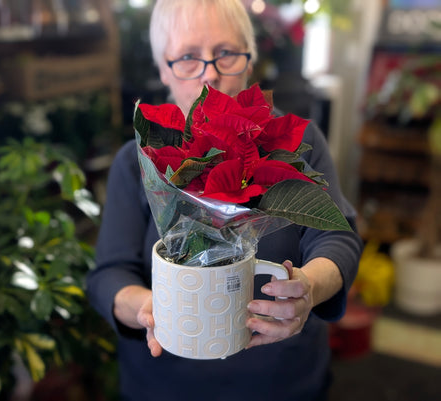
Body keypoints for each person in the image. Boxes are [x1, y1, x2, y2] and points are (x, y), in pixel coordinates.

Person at [87, 1, 363, 400]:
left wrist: (308, 288)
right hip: (166, 383)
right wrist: (150, 307)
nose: (210, 74)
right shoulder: (137, 162)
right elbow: (109, 274)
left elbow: (337, 239)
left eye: (226, 53)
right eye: (187, 57)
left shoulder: (297, 143)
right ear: (163, 69)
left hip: (282, 379)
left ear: (249, 62)